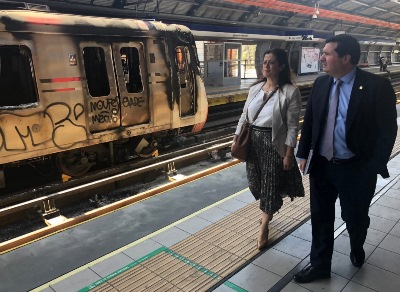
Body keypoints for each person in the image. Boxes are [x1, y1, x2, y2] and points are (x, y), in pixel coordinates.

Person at [294, 34, 397, 283]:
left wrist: (373, 165)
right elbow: (310, 122)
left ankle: (357, 243)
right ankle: (319, 265)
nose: (322, 58)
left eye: (327, 53)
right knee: (320, 216)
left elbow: (387, 130)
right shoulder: (321, 84)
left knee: (355, 216)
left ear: (346, 58)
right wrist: (303, 153)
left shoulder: (376, 86)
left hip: (356, 167)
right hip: (322, 164)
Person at [232, 48, 305, 250]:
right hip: (253, 142)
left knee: (270, 185)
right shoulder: (255, 88)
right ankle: (268, 208)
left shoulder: (290, 92)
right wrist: (236, 138)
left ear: (281, 66)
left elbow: (292, 126)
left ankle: (264, 225)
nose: (266, 65)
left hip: (273, 144)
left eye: (271, 62)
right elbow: (244, 116)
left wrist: (289, 153)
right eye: (264, 62)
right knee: (255, 184)